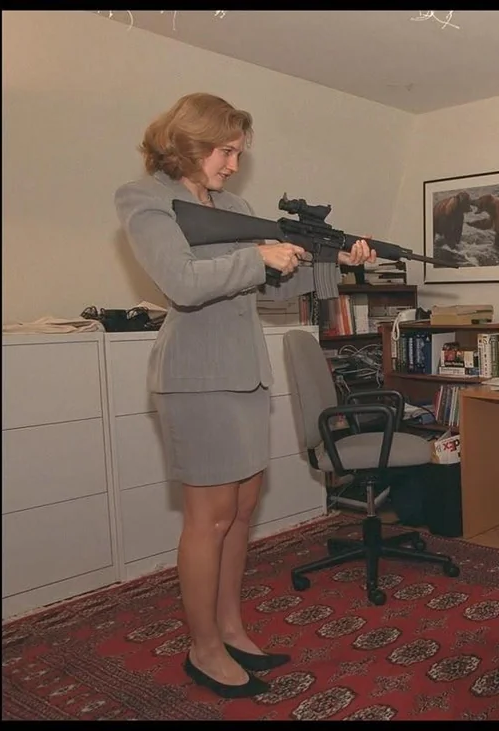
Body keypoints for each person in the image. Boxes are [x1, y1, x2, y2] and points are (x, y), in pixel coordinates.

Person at [114, 93, 376, 699]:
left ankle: (230, 629)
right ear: (188, 143)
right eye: (225, 152)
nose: (233, 165)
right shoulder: (145, 199)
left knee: (239, 514)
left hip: (245, 373)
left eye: (237, 153)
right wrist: (259, 257)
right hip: (196, 376)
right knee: (207, 520)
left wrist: (334, 260)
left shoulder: (234, 208)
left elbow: (271, 291)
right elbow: (181, 283)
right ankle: (202, 647)